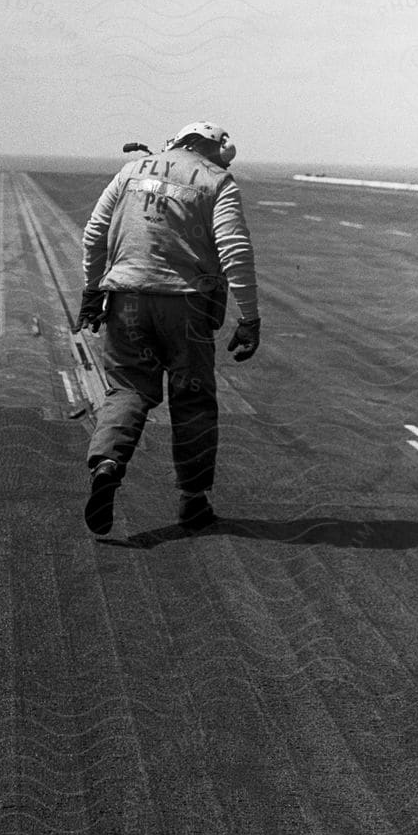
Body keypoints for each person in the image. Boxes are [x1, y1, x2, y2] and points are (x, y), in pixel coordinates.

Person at [76, 121, 261, 536]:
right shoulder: (218, 181)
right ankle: (193, 503)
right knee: (193, 402)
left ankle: (107, 464)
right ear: (212, 151)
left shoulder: (131, 171)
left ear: (179, 142)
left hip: (125, 302)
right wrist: (250, 317)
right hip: (187, 308)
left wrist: (91, 292)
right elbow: (235, 249)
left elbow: (94, 236)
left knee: (128, 390)